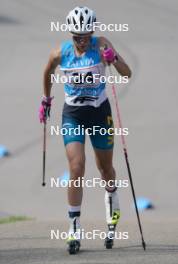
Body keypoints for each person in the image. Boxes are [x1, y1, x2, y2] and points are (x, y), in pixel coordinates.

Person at [39, 6, 131, 253]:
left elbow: (127, 72)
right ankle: (74, 227)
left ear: (92, 31)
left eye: (86, 34)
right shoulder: (61, 53)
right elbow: (47, 71)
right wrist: (46, 99)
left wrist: (114, 59)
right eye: (77, 35)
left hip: (100, 115)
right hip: (73, 116)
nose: (82, 40)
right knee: (76, 166)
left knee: (105, 168)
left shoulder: (100, 45)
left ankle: (113, 203)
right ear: (70, 33)